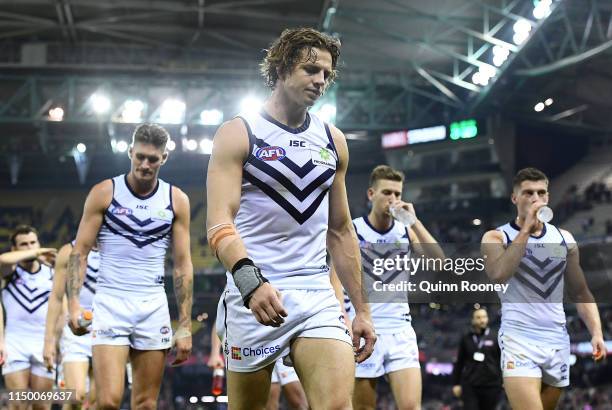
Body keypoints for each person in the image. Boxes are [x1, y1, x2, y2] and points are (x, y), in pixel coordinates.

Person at [206, 27, 376, 410]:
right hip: (253, 296)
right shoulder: (239, 133)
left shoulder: (334, 141)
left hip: (315, 294)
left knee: (335, 406)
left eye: (326, 74)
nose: (320, 81)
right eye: (311, 70)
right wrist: (252, 284)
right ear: (281, 68)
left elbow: (341, 231)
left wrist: (361, 309)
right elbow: (218, 224)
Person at [66, 123, 193, 409]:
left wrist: (184, 324)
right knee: (108, 402)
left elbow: (183, 265)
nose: (145, 164)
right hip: (111, 302)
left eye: (152, 158)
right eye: (140, 157)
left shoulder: (177, 200)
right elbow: (80, 252)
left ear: (164, 159)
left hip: (152, 305)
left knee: (146, 404)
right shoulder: (104, 193)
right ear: (130, 152)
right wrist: (74, 303)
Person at [481, 167, 607, 410]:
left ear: (548, 198)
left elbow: (580, 292)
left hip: (556, 339)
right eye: (528, 193)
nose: (535, 198)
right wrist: (526, 230)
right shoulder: (496, 237)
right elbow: (498, 275)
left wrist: (596, 332)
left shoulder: (564, 239)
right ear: (515, 198)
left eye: (541, 193)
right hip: (518, 337)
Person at [340, 165, 444, 410]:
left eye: (397, 194)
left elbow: (439, 262)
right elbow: (335, 278)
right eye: (387, 192)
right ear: (370, 194)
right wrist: (343, 319)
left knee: (411, 407)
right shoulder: (354, 229)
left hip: (400, 328)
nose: (393, 199)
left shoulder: (405, 230)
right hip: (364, 328)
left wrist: (414, 221)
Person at [0, 225, 57, 410]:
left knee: (41, 405)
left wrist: (57, 343)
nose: (30, 247)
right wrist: (38, 252)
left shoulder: (51, 273)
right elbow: (2, 259)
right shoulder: (8, 272)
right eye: (23, 244)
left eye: (33, 242)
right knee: (18, 404)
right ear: (15, 249)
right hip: (15, 344)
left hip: (43, 343)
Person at [43, 239, 100, 408]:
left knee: (101, 400)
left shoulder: (118, 246)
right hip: (75, 329)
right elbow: (56, 297)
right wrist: (49, 342)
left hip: (108, 329)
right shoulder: (68, 251)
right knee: (76, 395)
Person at [208, 323, 308, 410]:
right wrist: (215, 353)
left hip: (284, 341)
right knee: (269, 404)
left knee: (299, 401)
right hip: (255, 347)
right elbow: (222, 316)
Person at [451, 307, 502, 410]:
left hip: (492, 385)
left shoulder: (495, 337)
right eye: (478, 317)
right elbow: (459, 362)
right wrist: (456, 383)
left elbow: (502, 360)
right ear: (473, 320)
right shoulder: (466, 338)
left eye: (484, 317)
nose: (482, 320)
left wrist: (504, 379)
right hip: (470, 385)